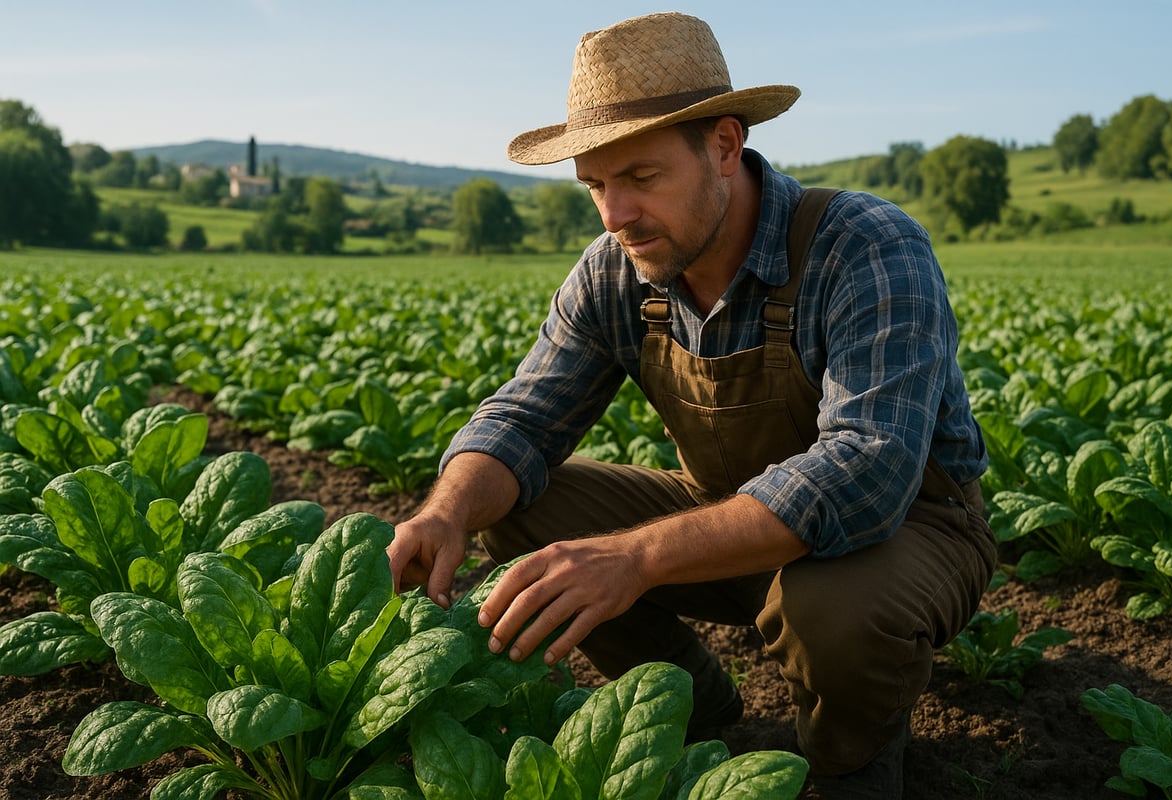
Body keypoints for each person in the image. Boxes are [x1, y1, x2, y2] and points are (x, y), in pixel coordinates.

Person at [387, 11, 996, 798]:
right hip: (727, 520)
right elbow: (522, 419)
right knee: (513, 507)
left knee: (835, 614)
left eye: (640, 178)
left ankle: (849, 765)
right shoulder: (615, 270)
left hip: (908, 531)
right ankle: (691, 707)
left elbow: (867, 471)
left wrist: (635, 558)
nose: (614, 215)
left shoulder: (864, 245)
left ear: (724, 147)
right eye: (596, 187)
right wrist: (445, 512)